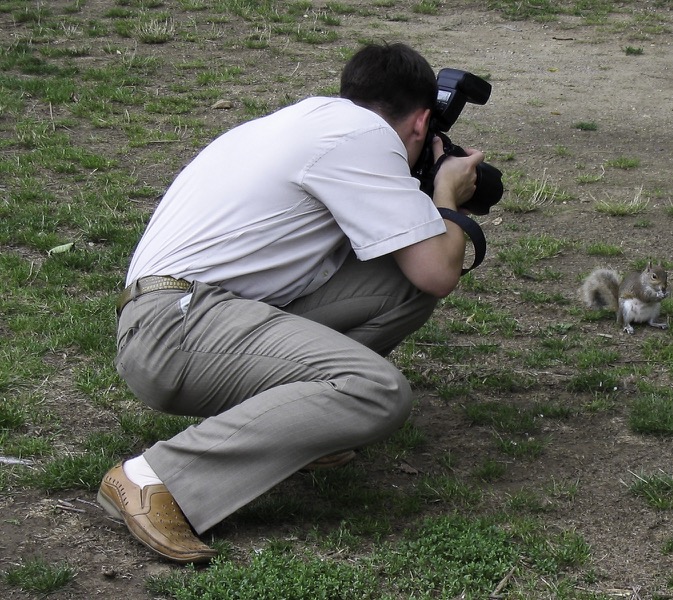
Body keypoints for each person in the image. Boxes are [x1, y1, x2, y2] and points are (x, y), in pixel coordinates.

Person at [97, 42, 485, 564]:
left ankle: (301, 429)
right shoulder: (367, 139)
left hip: (184, 315)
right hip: (177, 330)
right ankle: (154, 478)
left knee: (400, 282)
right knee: (376, 390)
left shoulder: (310, 121)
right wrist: (446, 196)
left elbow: (418, 274)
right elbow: (441, 270)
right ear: (421, 124)